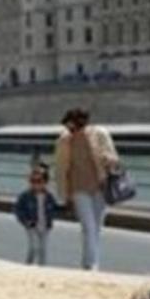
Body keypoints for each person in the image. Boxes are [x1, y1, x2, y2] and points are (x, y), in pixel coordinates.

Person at [53, 107, 119, 270]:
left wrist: (107, 159)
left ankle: (88, 263)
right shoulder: (64, 141)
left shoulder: (100, 134)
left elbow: (114, 158)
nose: (71, 130)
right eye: (68, 128)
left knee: (96, 228)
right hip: (78, 188)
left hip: (101, 186)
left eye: (73, 127)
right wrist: (65, 194)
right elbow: (61, 169)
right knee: (88, 227)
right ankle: (92, 265)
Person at [13, 165, 60, 266]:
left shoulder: (49, 196)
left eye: (39, 181)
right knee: (34, 247)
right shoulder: (25, 196)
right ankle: (28, 266)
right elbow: (18, 210)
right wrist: (26, 221)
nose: (35, 184)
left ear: (45, 182)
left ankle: (42, 269)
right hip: (32, 226)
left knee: (43, 249)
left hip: (45, 226)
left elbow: (55, 208)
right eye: (32, 181)